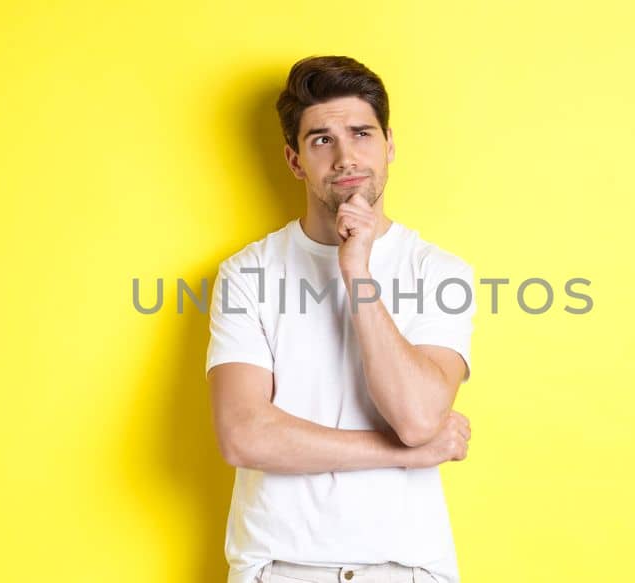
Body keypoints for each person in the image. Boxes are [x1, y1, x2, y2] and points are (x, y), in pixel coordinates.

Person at [205, 55, 476, 583]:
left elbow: (419, 418)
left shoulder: (440, 272)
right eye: (322, 139)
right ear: (294, 159)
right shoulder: (246, 273)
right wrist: (405, 455)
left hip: (407, 567)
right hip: (279, 568)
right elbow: (243, 435)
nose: (347, 155)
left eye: (361, 133)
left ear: (389, 144)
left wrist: (357, 270)